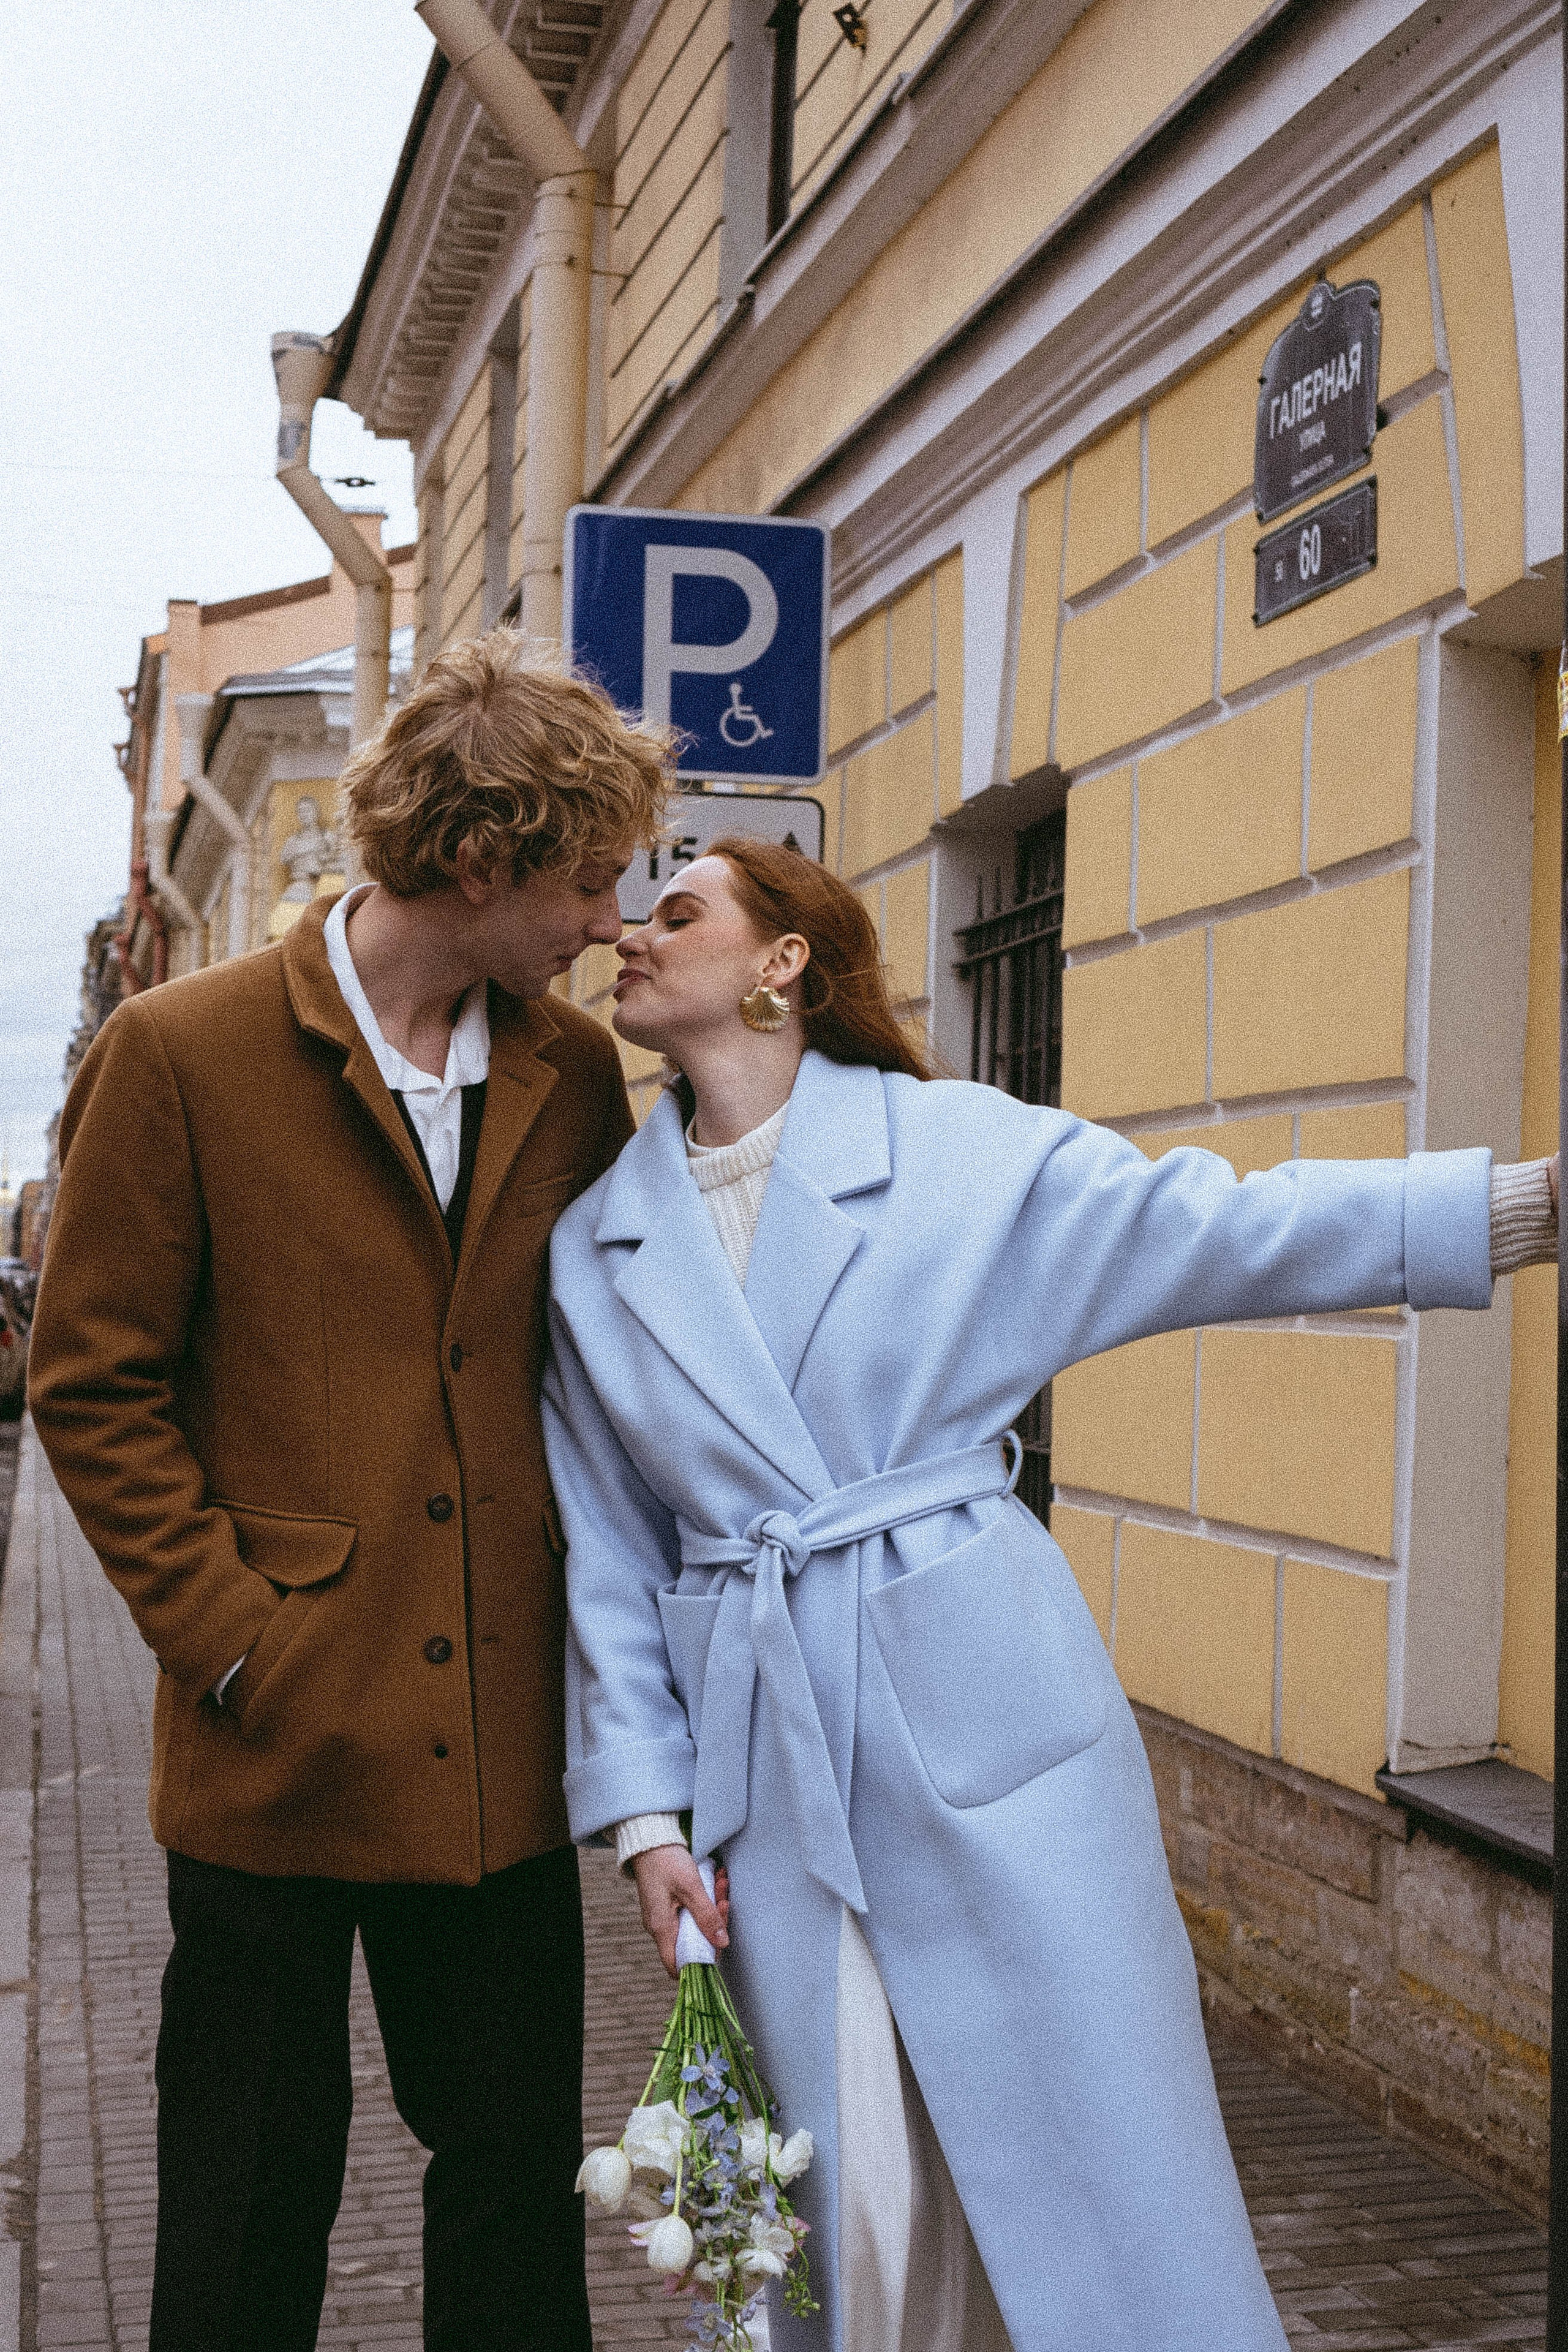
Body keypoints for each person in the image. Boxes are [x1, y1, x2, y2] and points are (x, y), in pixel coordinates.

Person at [542, 838, 1559, 2352]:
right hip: (764, 1766)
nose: (631, 935)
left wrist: (1520, 1208)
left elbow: (1217, 1228)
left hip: (988, 1719)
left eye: (677, 913)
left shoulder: (961, 1152)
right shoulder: (596, 1246)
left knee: (1093, 2174)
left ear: (782, 962)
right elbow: (610, 1558)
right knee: (842, 2209)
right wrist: (642, 1823)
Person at [27, 631, 670, 2352]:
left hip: (501, 1764)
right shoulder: (184, 1053)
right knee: (245, 2209)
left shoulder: (572, 1078)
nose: (607, 924)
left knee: (516, 2206)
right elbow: (91, 1383)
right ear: (482, 859)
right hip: (276, 1749)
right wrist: (235, 1640)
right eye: (590, 881)